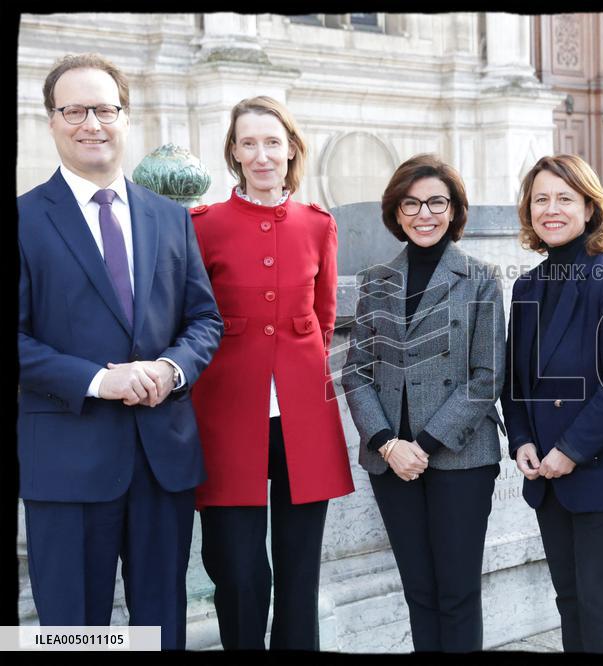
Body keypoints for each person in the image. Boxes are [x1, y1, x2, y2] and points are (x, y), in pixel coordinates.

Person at [17, 53, 222, 649]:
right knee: (73, 633)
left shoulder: (169, 218)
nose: (91, 123)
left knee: (163, 630)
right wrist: (94, 380)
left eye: (105, 109)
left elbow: (204, 319)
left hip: (163, 460)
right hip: (67, 461)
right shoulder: (24, 219)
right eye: (74, 110)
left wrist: (171, 367)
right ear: (51, 121)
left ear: (125, 118)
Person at [189, 96, 355, 650]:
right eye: (248, 143)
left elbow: (325, 320)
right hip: (227, 418)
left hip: (303, 417)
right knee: (237, 573)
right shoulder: (203, 225)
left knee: (299, 574)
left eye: (272, 143)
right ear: (234, 153)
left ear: (290, 151)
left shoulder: (318, 226)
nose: (262, 155)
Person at [340, 154, 506, 652]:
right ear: (396, 212)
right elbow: (356, 371)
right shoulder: (376, 281)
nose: (424, 214)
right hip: (392, 463)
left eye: (436, 201)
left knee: (456, 594)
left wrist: (425, 444)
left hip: (461, 459)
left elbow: (487, 376)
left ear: (454, 210)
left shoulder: (479, 279)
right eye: (410, 203)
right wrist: (390, 444)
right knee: (419, 593)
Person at [501, 154, 603, 654]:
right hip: (548, 480)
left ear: (590, 209)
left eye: (565, 198)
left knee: (600, 603)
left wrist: (569, 449)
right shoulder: (527, 286)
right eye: (541, 199)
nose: (552, 209)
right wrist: (523, 439)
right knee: (569, 600)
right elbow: (515, 380)